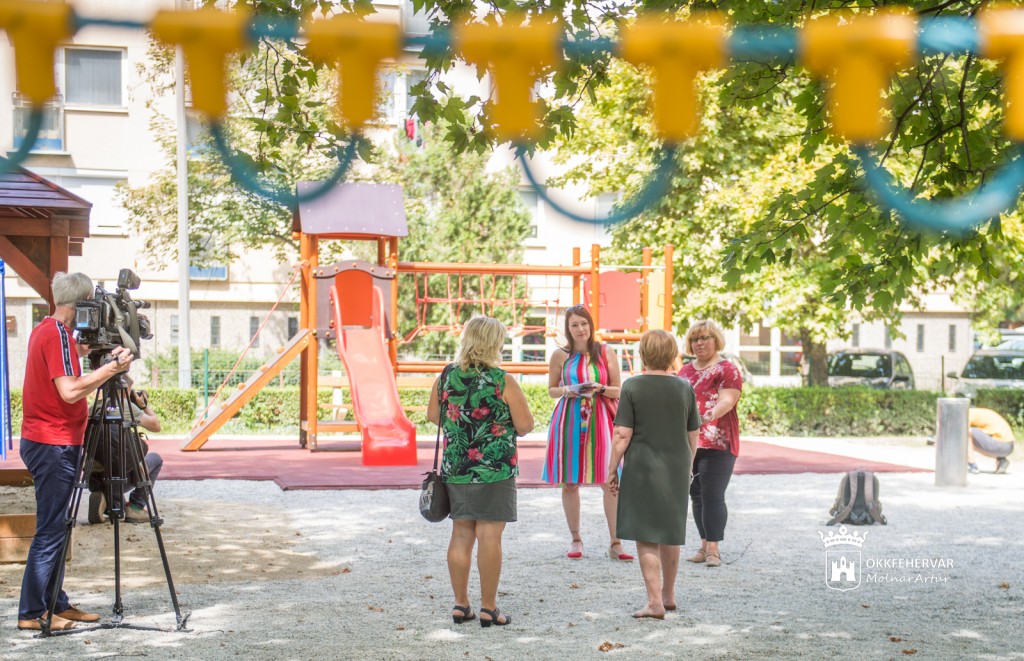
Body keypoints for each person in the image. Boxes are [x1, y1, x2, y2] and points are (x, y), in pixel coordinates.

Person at [18, 272, 134, 631]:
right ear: (83, 303)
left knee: (59, 526)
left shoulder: (51, 331)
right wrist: (113, 369)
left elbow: (71, 360)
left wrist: (97, 354)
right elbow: (69, 391)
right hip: (52, 443)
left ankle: (55, 602)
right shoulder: (56, 336)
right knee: (51, 529)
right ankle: (32, 613)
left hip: (51, 440)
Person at [427, 316, 534, 628]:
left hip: (457, 467)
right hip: (495, 470)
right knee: (490, 535)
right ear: (493, 343)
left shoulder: (446, 376)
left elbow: (433, 416)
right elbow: (525, 426)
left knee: (461, 533)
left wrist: (462, 427)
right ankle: (489, 608)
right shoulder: (502, 381)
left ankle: (461, 604)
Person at [606, 330, 701, 619]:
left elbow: (622, 434)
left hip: (643, 467)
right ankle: (669, 595)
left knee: (645, 534)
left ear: (643, 354)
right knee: (671, 532)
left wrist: (612, 468)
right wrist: (688, 464)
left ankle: (654, 602)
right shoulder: (685, 387)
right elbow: (693, 433)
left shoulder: (633, 386)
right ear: (672, 354)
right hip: (677, 466)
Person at [542, 305, 631, 561]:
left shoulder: (605, 352)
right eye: (574, 325)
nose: (580, 329)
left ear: (590, 325)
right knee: (570, 481)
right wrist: (570, 389)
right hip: (569, 418)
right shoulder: (560, 355)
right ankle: (576, 538)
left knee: (610, 479)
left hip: (601, 417)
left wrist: (599, 388)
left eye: (584, 323)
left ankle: (616, 542)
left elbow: (618, 389)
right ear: (568, 329)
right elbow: (551, 390)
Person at [677, 320, 743, 569]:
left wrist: (711, 413)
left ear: (716, 340)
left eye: (705, 338)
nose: (700, 343)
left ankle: (714, 549)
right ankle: (703, 546)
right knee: (696, 495)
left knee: (712, 494)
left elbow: (728, 400)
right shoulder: (684, 371)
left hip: (718, 442)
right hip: (689, 441)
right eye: (695, 339)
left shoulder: (727, 369)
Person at [87, 374, 164, 525]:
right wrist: (143, 406)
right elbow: (156, 426)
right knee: (155, 459)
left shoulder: (93, 408)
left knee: (114, 459)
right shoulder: (125, 406)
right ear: (124, 390)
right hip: (120, 478)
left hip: (95, 478)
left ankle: (104, 498)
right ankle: (136, 507)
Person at [967, 407, 1015, 474]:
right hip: (1009, 447)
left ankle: (972, 465)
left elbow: (965, 432)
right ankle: (1001, 460)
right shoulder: (977, 412)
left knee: (964, 432)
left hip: (1000, 444)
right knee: (971, 442)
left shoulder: (967, 414)